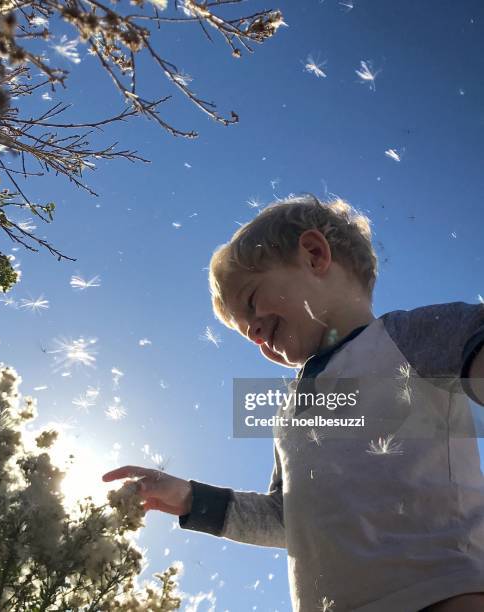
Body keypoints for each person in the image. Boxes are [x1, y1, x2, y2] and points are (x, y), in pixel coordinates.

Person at [102, 194, 484, 611]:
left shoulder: (405, 339)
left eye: (251, 302)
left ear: (315, 255)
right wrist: (191, 498)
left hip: (442, 590)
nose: (255, 334)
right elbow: (287, 518)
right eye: (247, 333)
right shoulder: (290, 411)